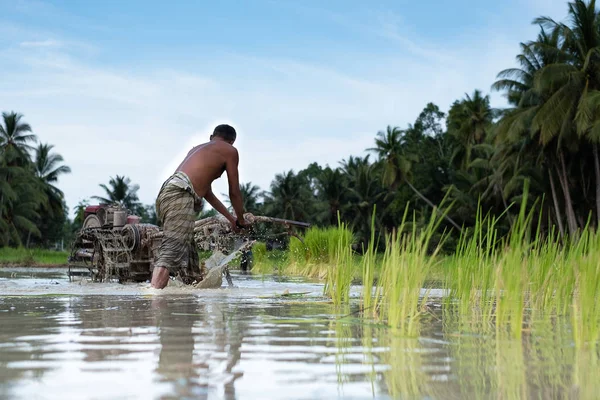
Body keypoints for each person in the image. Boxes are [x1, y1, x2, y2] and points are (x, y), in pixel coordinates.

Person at [151, 124, 249, 289]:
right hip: (180, 195)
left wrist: (231, 219)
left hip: (167, 194)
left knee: (189, 257)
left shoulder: (198, 149)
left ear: (212, 137)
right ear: (232, 141)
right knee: (172, 250)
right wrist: (241, 220)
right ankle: (152, 300)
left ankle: (190, 304)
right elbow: (234, 192)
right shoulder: (230, 151)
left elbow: (207, 193)